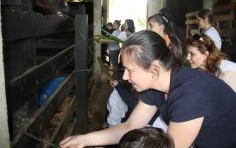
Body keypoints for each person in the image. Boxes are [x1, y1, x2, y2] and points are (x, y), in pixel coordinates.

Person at [60, 31, 236, 148]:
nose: (124, 77)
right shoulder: (157, 86)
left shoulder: (189, 95)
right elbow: (130, 126)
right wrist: (84, 140)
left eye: (130, 70)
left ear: (155, 69)